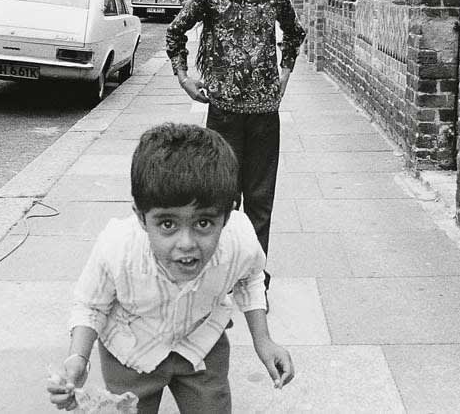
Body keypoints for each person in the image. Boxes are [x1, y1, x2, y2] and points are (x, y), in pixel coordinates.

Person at [47, 123, 294, 413]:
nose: (186, 243)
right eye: (167, 224)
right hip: (131, 347)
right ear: (141, 217)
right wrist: (78, 357)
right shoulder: (117, 249)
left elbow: (250, 279)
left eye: (204, 223)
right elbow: (90, 306)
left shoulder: (239, 241)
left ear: (226, 216)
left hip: (200, 339)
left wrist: (263, 340)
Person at [165, 0, 306, 289]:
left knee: (260, 203)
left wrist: (285, 75)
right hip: (223, 118)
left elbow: (295, 35)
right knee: (223, 203)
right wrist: (184, 79)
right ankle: (222, 278)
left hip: (264, 119)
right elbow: (175, 33)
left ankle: (253, 279)